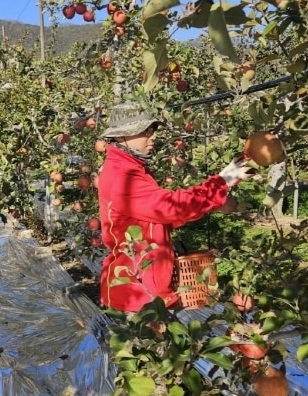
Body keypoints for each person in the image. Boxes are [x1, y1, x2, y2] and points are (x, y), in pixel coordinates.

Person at [98, 101, 253, 314]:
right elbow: (170, 208)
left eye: (152, 130)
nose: (152, 136)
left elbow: (158, 218)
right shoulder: (122, 177)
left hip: (145, 289)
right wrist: (221, 182)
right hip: (138, 295)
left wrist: (210, 202)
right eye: (143, 131)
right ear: (120, 137)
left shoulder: (131, 169)